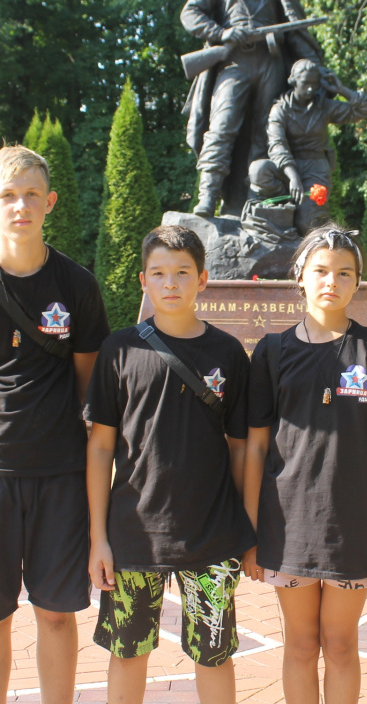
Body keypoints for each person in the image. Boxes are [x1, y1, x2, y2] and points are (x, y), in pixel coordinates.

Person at [0, 145, 110, 704]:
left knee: (56, 613)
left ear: (49, 202)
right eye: (7, 195)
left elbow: (88, 386)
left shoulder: (77, 285)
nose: (21, 206)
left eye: (32, 194)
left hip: (59, 474)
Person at [84, 224, 255, 704]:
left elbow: (241, 447)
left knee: (213, 654)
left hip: (211, 535)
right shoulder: (120, 349)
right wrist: (98, 538)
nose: (171, 283)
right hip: (133, 533)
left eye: (182, 272)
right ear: (143, 281)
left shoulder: (227, 352)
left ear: (202, 279)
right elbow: (100, 448)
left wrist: (243, 528)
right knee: (127, 651)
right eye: (158, 273)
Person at [243, 225, 367, 704]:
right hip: (286, 525)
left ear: (358, 282)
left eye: (344, 273)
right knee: (299, 644)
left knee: (339, 644)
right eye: (320, 270)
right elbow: (255, 447)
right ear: (299, 275)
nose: (331, 281)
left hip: (351, 527)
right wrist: (249, 531)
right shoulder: (272, 352)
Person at [181, 0, 324, 216]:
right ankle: (208, 196)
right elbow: (190, 13)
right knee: (221, 126)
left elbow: (295, 30)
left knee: (265, 134)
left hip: (271, 63)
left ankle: (253, 200)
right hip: (233, 62)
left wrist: (317, 69)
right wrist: (222, 32)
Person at [255, 59, 367, 234]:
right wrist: (293, 176)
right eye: (305, 83)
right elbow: (277, 144)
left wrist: (341, 89)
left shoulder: (324, 107)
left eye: (314, 83)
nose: (310, 88)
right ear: (293, 81)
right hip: (287, 168)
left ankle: (304, 214)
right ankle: (286, 204)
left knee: (308, 224)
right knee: (258, 171)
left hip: (315, 168)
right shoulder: (281, 109)